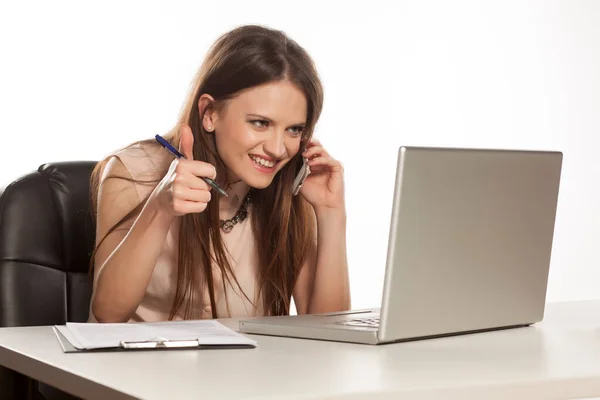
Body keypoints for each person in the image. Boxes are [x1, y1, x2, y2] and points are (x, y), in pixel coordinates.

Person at [88, 24, 350, 323]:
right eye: (260, 123)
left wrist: (331, 213)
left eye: (294, 129)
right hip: (133, 368)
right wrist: (160, 209)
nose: (278, 149)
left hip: (243, 370)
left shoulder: (292, 191)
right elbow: (107, 315)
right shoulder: (130, 172)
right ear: (210, 113)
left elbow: (330, 333)